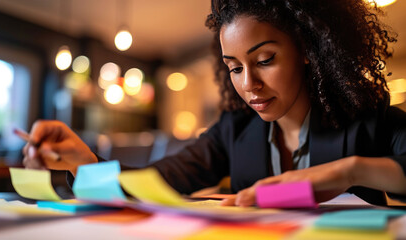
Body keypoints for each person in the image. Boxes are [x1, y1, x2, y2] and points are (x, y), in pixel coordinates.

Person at [22, 0, 406, 207]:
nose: (249, 84)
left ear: (307, 48)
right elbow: (158, 181)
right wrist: (86, 165)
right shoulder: (234, 131)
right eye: (235, 68)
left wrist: (348, 172)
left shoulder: (368, 120)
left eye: (265, 60)